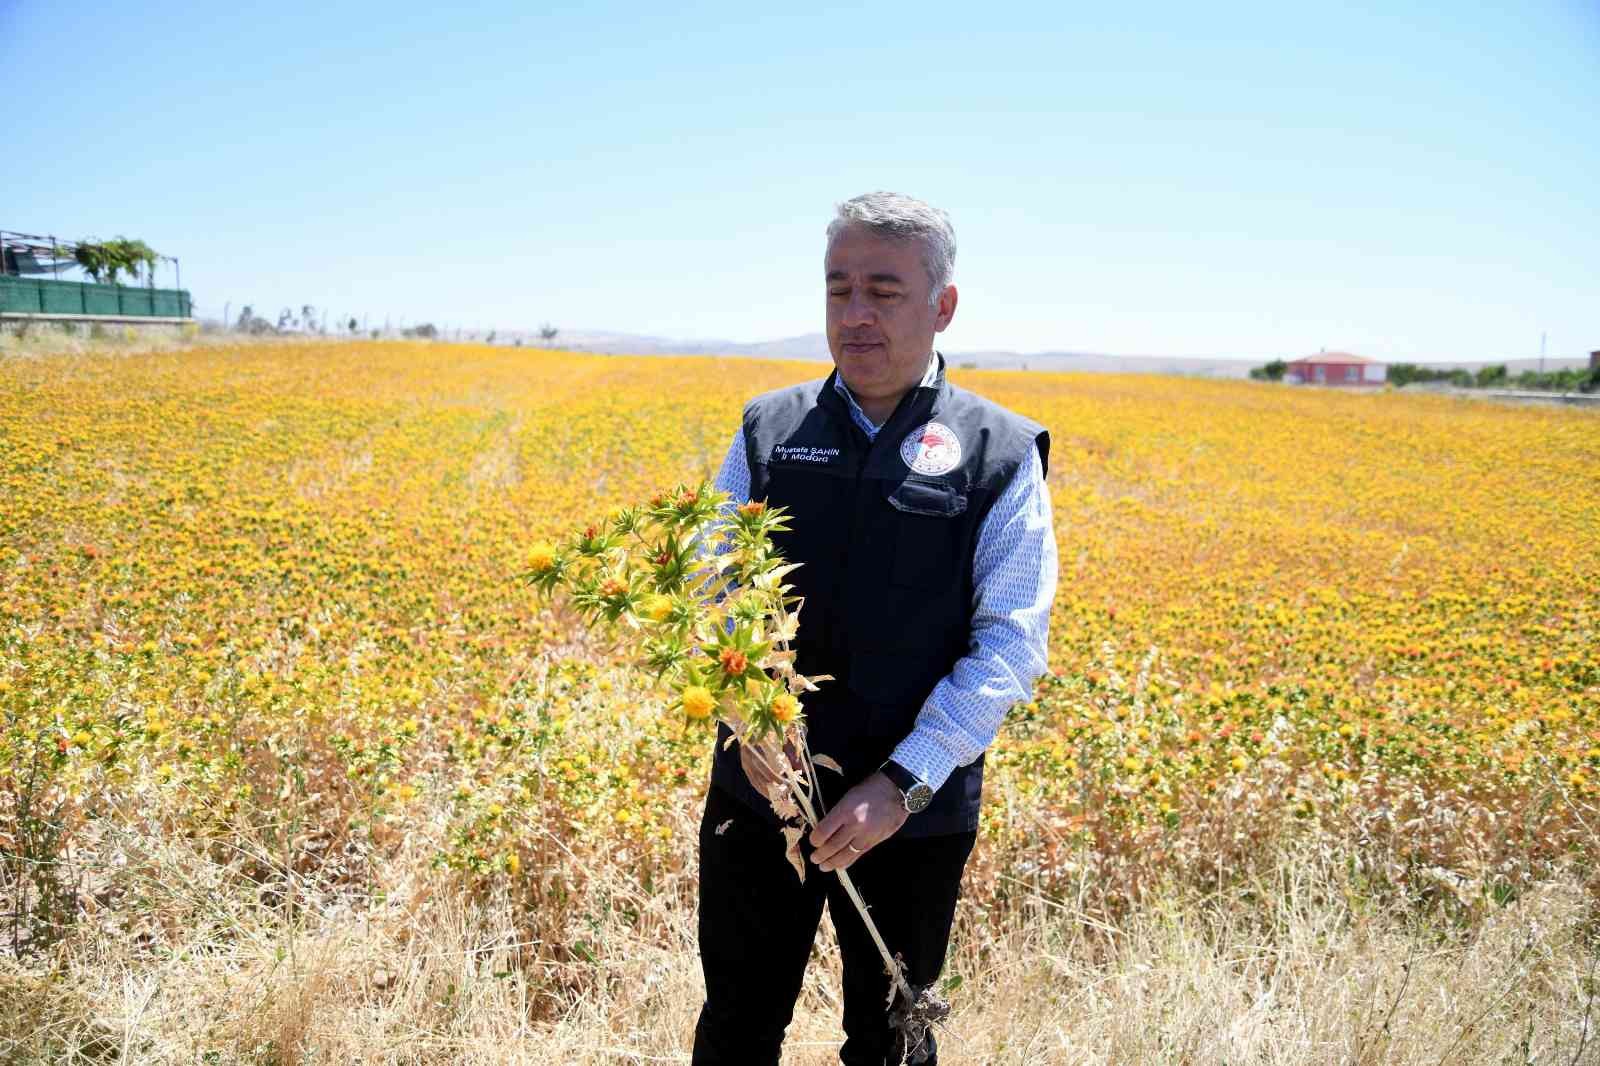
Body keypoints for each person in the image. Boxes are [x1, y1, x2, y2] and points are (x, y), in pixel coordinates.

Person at [692, 191, 1058, 1065]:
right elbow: (714, 587)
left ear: (943, 305)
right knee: (737, 1027)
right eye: (839, 288)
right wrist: (752, 725)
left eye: (884, 291)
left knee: (893, 1039)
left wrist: (902, 784)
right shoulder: (768, 429)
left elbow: (1010, 644)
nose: (855, 314)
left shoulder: (997, 450)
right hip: (761, 791)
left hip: (913, 816)